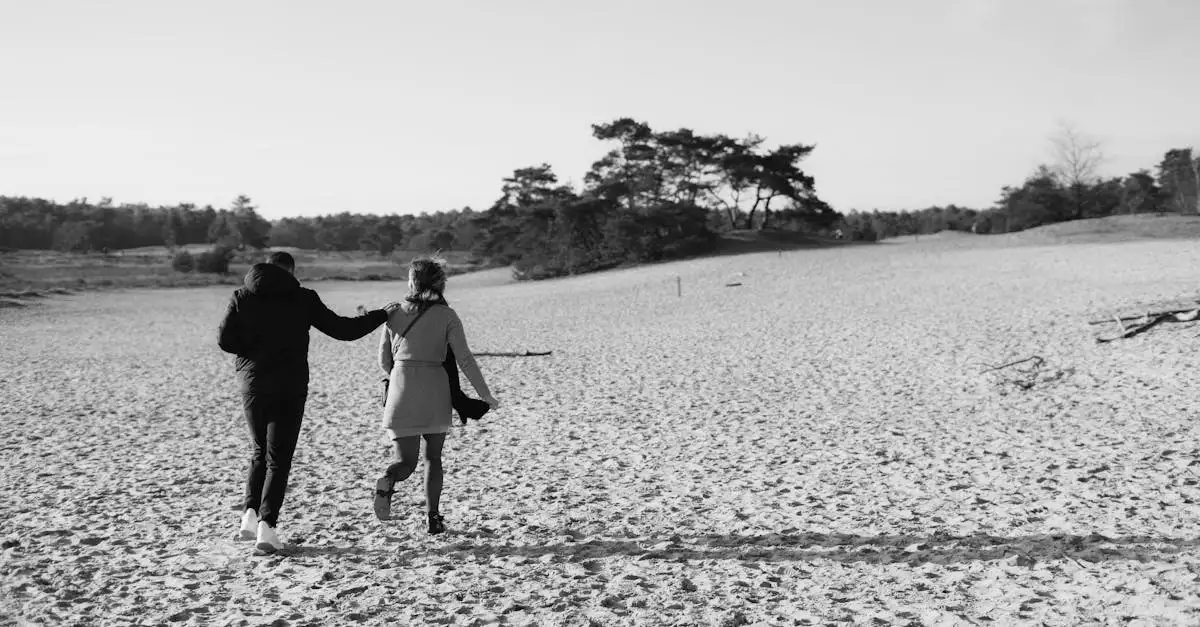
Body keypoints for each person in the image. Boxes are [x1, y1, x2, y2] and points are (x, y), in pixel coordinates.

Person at [218, 251, 400, 553]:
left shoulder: (242, 295)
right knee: (279, 457)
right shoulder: (302, 297)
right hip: (289, 385)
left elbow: (226, 340)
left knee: (259, 451)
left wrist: (254, 351)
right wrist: (381, 314)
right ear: (291, 271)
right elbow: (343, 330)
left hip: (252, 384)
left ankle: (249, 517)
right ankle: (267, 527)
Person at [375, 256, 499, 532]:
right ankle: (433, 517)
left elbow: (384, 361)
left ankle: (388, 478)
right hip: (434, 388)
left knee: (405, 462)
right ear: (441, 284)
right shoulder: (447, 316)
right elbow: (465, 359)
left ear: (412, 282)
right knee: (433, 458)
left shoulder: (393, 313)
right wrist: (485, 395)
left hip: (401, 389)